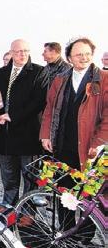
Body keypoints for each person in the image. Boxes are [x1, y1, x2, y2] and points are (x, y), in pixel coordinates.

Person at [0, 39, 47, 205]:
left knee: (30, 179)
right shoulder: (0, 73)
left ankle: (28, 215)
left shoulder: (39, 72)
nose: (22, 54)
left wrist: (12, 116)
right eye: (18, 51)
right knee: (8, 179)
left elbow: (38, 102)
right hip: (5, 136)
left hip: (27, 136)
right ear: (12, 52)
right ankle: (8, 209)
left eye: (26, 51)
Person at [41, 37, 107, 170]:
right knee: (63, 186)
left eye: (88, 54)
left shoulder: (104, 79)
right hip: (62, 144)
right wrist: (45, 135)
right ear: (69, 58)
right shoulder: (59, 80)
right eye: (79, 54)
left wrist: (98, 142)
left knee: (87, 188)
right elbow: (50, 109)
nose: (84, 58)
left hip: (90, 146)